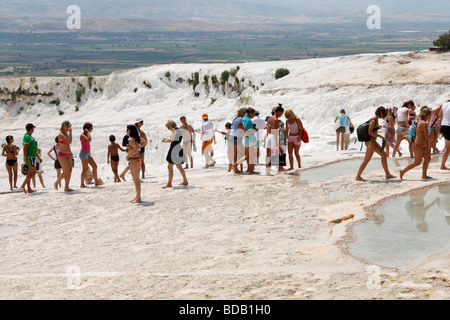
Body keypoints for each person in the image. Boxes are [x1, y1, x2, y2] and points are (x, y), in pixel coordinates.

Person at [355, 107, 396, 181]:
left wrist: (378, 127)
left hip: (373, 142)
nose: (384, 116)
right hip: (370, 143)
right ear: (380, 112)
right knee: (366, 160)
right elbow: (370, 132)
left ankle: (387, 174)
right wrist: (380, 136)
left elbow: (372, 130)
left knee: (384, 155)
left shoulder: (375, 120)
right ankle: (358, 176)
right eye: (384, 114)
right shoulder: (374, 120)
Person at [400, 107, 434, 180]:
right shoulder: (423, 123)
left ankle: (424, 175)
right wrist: (433, 140)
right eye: (430, 115)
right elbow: (426, 136)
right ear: (427, 116)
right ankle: (402, 171)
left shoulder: (421, 121)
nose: (431, 117)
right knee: (417, 162)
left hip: (423, 145)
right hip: (418, 146)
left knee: (428, 158)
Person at [162, 120, 189, 188]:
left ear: (171, 125)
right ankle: (185, 180)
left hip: (174, 150)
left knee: (170, 167)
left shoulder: (174, 130)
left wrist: (164, 140)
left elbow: (172, 140)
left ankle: (169, 183)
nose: (168, 129)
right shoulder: (179, 130)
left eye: (168, 127)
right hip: (178, 148)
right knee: (178, 166)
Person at [126, 124, 146, 203]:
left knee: (136, 180)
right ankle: (138, 196)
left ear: (130, 130)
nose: (126, 131)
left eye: (127, 130)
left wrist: (128, 156)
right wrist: (140, 147)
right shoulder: (136, 139)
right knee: (137, 180)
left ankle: (138, 198)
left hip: (133, 160)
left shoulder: (131, 139)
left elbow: (133, 150)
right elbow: (145, 142)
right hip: (138, 159)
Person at [234, 107, 257, 174]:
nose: (254, 116)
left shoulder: (244, 118)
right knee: (249, 155)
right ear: (250, 113)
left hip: (245, 139)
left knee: (248, 155)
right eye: (253, 114)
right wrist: (253, 131)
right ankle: (236, 165)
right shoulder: (248, 120)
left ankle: (249, 170)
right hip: (248, 139)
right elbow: (246, 131)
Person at [79, 122, 103, 188]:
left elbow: (90, 139)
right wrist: (88, 133)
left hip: (88, 153)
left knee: (95, 166)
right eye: (91, 127)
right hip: (83, 153)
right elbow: (89, 139)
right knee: (85, 169)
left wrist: (88, 133)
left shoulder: (87, 134)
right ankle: (82, 184)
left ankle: (96, 182)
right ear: (88, 128)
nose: (92, 129)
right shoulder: (82, 135)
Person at [54, 121, 74, 192]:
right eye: (68, 126)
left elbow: (68, 144)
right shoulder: (61, 135)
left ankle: (66, 187)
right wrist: (71, 133)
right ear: (64, 127)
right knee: (66, 171)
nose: (69, 128)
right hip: (62, 155)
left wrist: (70, 152)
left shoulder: (66, 133)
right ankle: (56, 182)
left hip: (68, 154)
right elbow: (69, 142)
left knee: (70, 171)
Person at [265, 104, 285, 175]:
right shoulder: (276, 120)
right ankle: (280, 168)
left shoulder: (270, 118)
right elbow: (275, 133)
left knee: (269, 154)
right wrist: (278, 145)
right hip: (273, 137)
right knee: (281, 153)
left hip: (269, 137)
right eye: (281, 113)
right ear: (279, 112)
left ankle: (267, 171)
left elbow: (268, 130)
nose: (281, 115)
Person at [19, 123, 39, 194]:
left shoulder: (30, 136)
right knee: (32, 173)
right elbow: (25, 148)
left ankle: (29, 188)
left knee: (30, 173)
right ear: (31, 129)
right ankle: (22, 186)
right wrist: (26, 159)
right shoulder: (27, 136)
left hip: (32, 156)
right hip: (30, 157)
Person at [230, 108, 245, 173]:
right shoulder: (240, 119)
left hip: (232, 135)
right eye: (244, 113)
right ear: (241, 112)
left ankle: (235, 169)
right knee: (242, 152)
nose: (244, 115)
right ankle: (235, 165)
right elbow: (240, 127)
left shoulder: (234, 117)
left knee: (235, 153)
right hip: (237, 136)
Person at [438, 101, 450, 170]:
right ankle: (442, 166)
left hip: (444, 125)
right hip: (449, 126)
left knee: (447, 147)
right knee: (447, 148)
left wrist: (440, 128)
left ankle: (443, 165)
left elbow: (440, 116)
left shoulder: (444, 105)